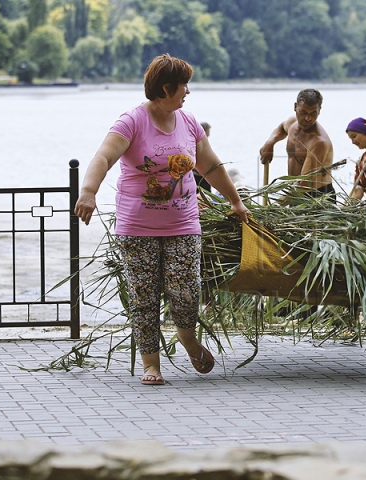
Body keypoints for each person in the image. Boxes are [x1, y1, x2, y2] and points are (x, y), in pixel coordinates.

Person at [74, 54, 250, 385]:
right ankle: (150, 364)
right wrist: (88, 191)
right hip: (137, 227)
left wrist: (236, 201)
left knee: (186, 290)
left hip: (183, 224)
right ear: (167, 88)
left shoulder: (188, 122)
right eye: (184, 86)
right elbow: (103, 156)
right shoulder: (132, 121)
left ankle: (187, 338)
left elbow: (210, 166)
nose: (187, 92)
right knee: (144, 296)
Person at [259, 88, 335, 202]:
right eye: (303, 112)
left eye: (313, 113)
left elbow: (304, 183)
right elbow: (281, 128)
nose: (308, 118)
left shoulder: (319, 142)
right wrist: (270, 143)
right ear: (295, 107)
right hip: (294, 192)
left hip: (317, 197)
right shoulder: (292, 123)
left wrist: (275, 206)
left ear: (319, 110)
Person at [194, 122, 212, 192]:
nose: (208, 135)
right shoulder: (196, 143)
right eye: (207, 133)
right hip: (198, 175)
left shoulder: (204, 144)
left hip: (205, 175)